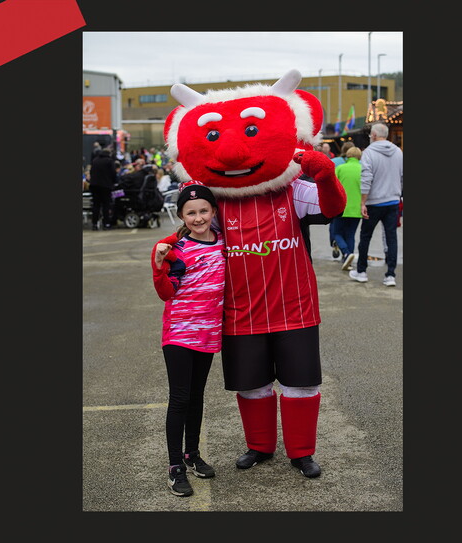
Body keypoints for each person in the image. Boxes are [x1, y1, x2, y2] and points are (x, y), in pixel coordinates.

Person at [160, 70, 346, 480]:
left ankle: (302, 452)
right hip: (240, 310)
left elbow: (332, 209)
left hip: (294, 305)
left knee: (301, 384)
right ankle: (259, 446)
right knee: (252, 386)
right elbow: (185, 241)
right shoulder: (215, 205)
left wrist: (327, 174)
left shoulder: (290, 190)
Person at [151, 183, 226, 497]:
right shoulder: (177, 250)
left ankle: (191, 454)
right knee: (180, 398)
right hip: (180, 334)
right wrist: (158, 265)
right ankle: (174, 468)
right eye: (191, 213)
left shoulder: (223, 243)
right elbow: (166, 293)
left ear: (213, 211)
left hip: (208, 333)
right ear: (181, 215)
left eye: (204, 211)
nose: (198, 218)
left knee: (197, 396)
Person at [349, 123, 403, 286]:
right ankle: (390, 274)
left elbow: (367, 178)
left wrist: (363, 202)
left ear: (373, 135)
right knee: (391, 237)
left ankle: (361, 271)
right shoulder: (398, 152)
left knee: (366, 236)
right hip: (393, 200)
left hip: (374, 202)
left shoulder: (369, 153)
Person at [333, 146, 363, 271]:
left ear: (348, 155)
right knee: (351, 235)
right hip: (357, 209)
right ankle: (348, 261)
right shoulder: (363, 169)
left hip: (341, 207)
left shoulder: (340, 168)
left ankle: (346, 252)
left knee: (337, 233)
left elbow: (332, 186)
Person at [328, 141, 356, 258]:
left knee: (335, 229)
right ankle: (347, 257)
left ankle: (338, 245)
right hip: (355, 206)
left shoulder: (335, 163)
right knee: (350, 233)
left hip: (338, 202)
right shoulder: (360, 166)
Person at [87, 148, 117, 230]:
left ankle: (94, 224)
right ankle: (106, 223)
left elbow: (91, 172)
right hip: (106, 186)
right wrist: (114, 182)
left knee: (96, 205)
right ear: (109, 153)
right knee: (106, 205)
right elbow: (113, 173)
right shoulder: (109, 161)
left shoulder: (95, 160)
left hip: (94, 186)